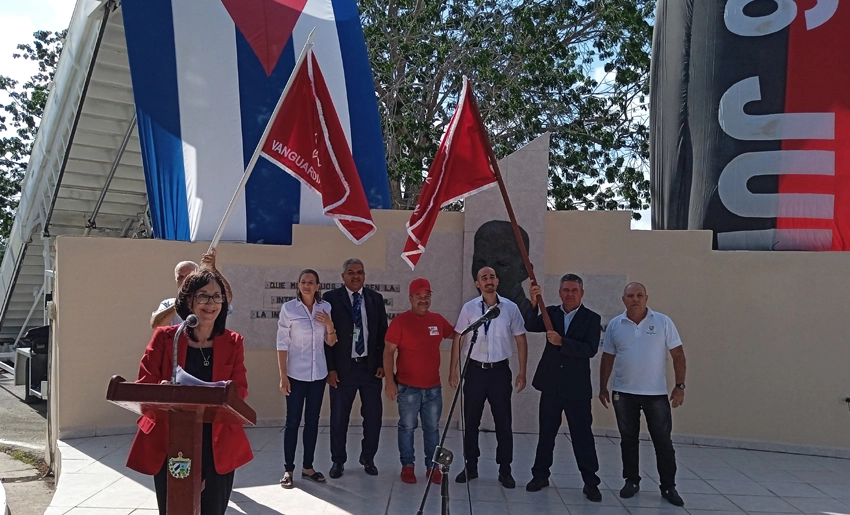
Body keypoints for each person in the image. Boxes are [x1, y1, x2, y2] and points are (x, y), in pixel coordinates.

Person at [126, 268, 253, 515]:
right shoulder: (165, 338)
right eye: (203, 296)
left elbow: (241, 390)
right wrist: (162, 392)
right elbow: (144, 384)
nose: (211, 303)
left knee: (212, 510)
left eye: (217, 297)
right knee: (174, 508)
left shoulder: (233, 341)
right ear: (188, 301)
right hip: (172, 438)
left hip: (216, 440)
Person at [599, 282, 687, 507]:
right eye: (630, 295)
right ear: (623, 299)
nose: (635, 299)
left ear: (647, 298)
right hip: (624, 393)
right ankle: (631, 481)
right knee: (628, 440)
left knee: (663, 442)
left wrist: (680, 386)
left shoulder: (663, 322)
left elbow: (678, 355)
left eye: (639, 295)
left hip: (655, 394)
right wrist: (602, 387)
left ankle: (668, 486)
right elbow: (607, 357)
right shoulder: (615, 325)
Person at [523, 274, 603, 502]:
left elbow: (590, 349)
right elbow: (530, 324)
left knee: (582, 436)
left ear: (582, 293)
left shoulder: (591, 318)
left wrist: (562, 343)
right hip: (551, 385)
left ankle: (590, 482)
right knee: (546, 434)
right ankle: (540, 476)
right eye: (566, 290)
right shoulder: (551, 314)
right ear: (559, 292)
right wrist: (533, 301)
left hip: (577, 389)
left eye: (574, 290)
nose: (569, 294)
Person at [450, 266, 528, 488]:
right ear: (477, 284)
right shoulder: (469, 309)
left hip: (499, 373)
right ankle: (470, 466)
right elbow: (459, 337)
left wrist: (522, 371)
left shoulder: (510, 308)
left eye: (492, 277)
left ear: (497, 281)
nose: (488, 280)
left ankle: (505, 470)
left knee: (503, 422)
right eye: (484, 278)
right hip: (474, 371)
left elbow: (521, 340)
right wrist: (453, 369)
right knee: (471, 421)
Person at [383, 278, 455, 484]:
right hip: (408, 389)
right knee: (407, 428)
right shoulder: (400, 322)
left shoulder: (438, 320)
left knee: (432, 429)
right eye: (419, 296)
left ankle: (433, 468)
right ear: (411, 298)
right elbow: (388, 352)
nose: (423, 300)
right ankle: (408, 466)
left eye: (427, 296)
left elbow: (458, 335)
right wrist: (390, 382)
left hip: (433, 389)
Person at [322, 258, 387, 478]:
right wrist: (330, 369)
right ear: (343, 277)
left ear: (364, 275)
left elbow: (381, 334)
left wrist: (381, 363)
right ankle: (337, 461)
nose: (356, 276)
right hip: (343, 369)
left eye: (360, 272)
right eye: (350, 272)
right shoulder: (330, 299)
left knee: (373, 416)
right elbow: (326, 338)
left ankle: (368, 458)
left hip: (369, 368)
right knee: (339, 417)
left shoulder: (375, 299)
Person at [276, 269, 338, 488]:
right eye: (303, 282)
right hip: (295, 374)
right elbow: (282, 344)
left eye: (311, 282)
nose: (307, 285)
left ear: (318, 285)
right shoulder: (289, 309)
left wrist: (329, 325)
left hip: (318, 375)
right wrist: (283, 376)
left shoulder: (325, 308)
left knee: (312, 422)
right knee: (292, 422)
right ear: (298, 285)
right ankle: (288, 469)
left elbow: (331, 342)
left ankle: (308, 467)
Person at [151, 249, 233, 328]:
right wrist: (181, 301)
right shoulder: (168, 303)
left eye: (189, 276)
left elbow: (227, 297)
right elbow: (156, 325)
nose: (184, 280)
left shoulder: (208, 301)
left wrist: (212, 269)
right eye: (180, 277)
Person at [471, 221, 533, 319]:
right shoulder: (471, 310)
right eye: (480, 263)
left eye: (501, 264)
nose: (487, 273)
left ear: (524, 272)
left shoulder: (524, 314)